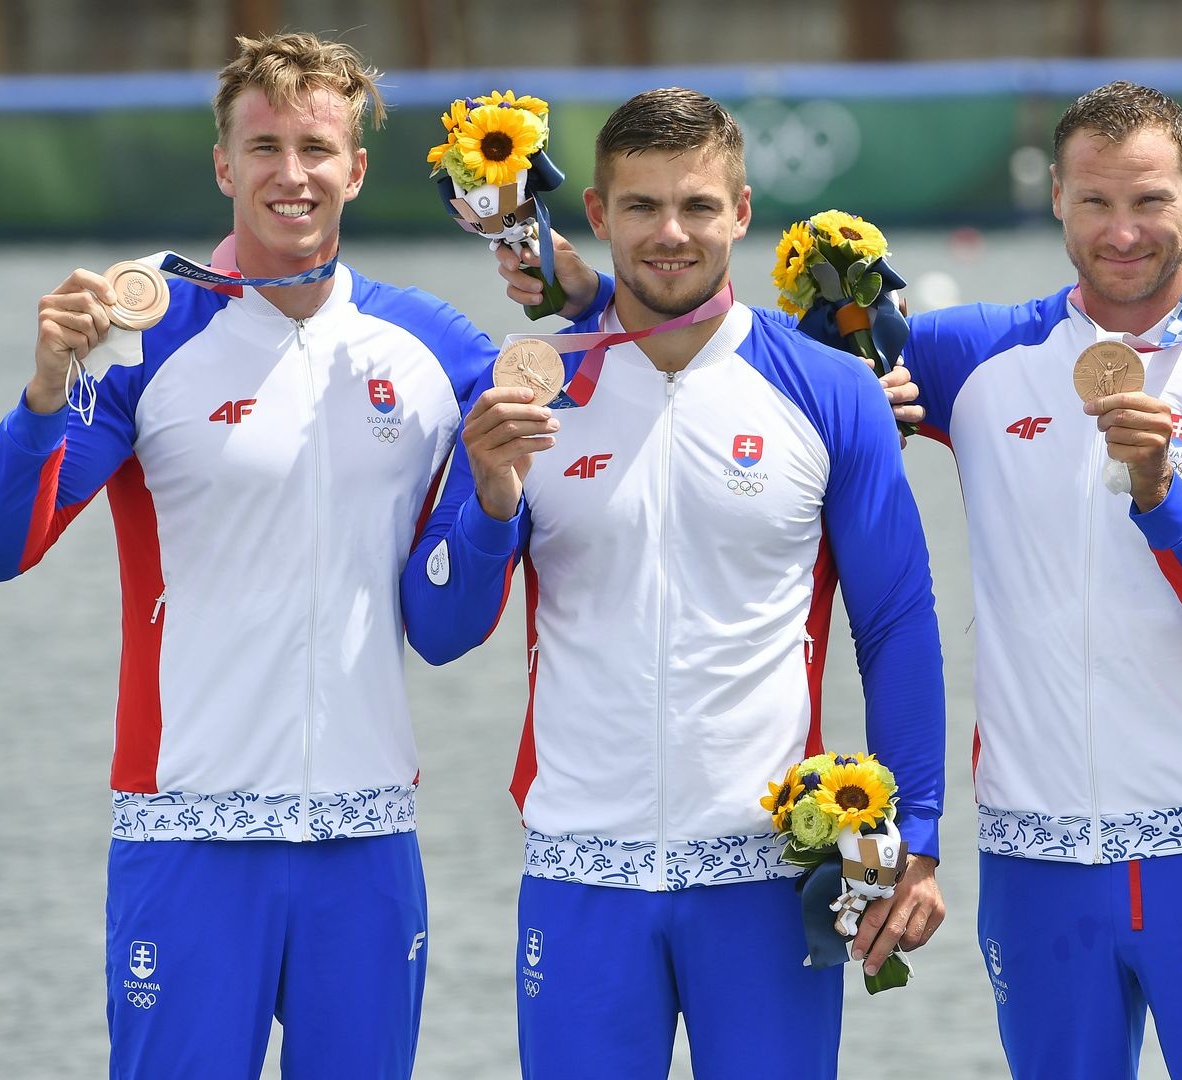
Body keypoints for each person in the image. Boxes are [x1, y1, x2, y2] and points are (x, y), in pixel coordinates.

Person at [506, 78, 1182, 1080]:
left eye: (1148, 199)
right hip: (1037, 862)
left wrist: (1165, 498)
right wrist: (588, 298)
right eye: (1096, 200)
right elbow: (721, 340)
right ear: (1055, 195)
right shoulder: (975, 352)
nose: (1123, 231)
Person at [0, 32, 503, 1080]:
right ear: (222, 164)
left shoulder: (437, 350)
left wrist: (495, 499)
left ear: (356, 169)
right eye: (263, 147)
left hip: (367, 838)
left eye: (315, 147)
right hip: (185, 834)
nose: (290, 174)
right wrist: (40, 393)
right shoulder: (141, 334)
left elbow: (449, 621)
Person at [401, 88, 948, 1079]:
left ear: (742, 212)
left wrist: (920, 833)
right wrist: (488, 497)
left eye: (698, 206)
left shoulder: (829, 393)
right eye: (643, 207)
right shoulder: (532, 385)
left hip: (768, 880)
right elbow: (439, 629)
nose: (671, 232)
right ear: (599, 217)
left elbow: (898, 624)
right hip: (581, 874)